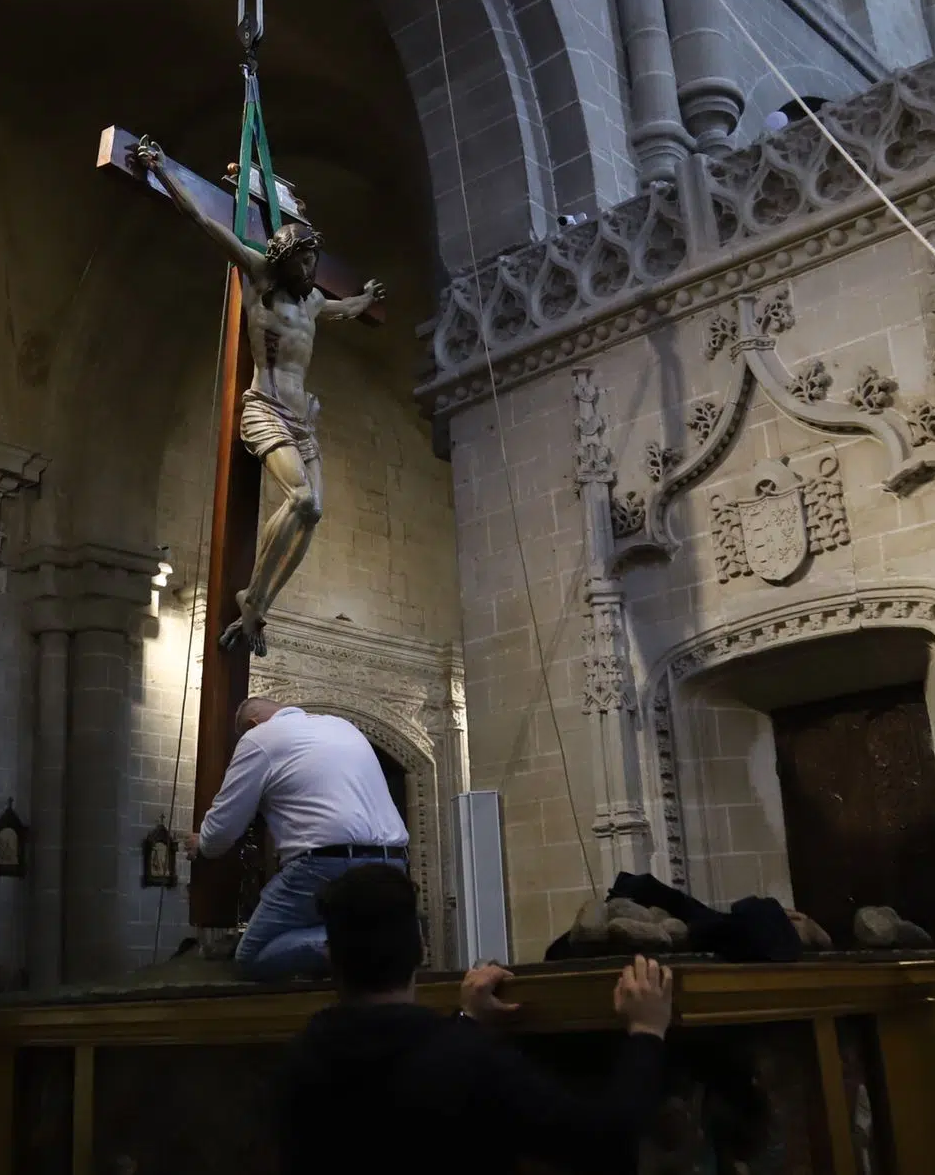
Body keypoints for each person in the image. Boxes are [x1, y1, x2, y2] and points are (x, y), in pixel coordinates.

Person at [130, 136, 384, 657]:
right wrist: (161, 171)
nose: (313, 270)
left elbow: (350, 309)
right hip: (265, 407)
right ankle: (253, 599)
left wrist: (367, 298)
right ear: (285, 257)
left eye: (315, 261)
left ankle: (257, 601)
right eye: (306, 260)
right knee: (304, 499)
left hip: (303, 419)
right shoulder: (257, 278)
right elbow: (204, 222)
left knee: (311, 516)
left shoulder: (313, 303)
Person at [277, 863, 674, 1174]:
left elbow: (399, 1075)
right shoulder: (470, 1060)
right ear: (421, 947)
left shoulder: (301, 1059)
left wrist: (467, 1019)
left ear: (331, 957)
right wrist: (646, 1032)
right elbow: (603, 1143)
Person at [184, 697, 409, 980]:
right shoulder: (342, 726)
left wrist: (203, 843)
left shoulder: (258, 737)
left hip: (327, 866)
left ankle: (369, 942)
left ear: (252, 724)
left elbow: (225, 825)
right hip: (393, 864)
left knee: (252, 955)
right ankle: (383, 935)